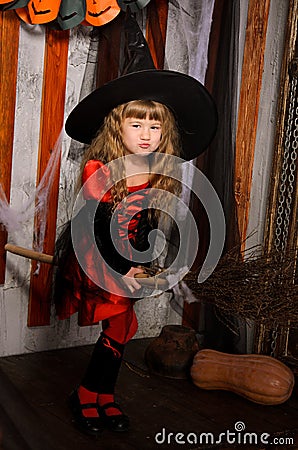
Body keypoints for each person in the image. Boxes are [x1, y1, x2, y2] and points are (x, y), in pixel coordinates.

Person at [54, 69, 217, 436]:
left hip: (129, 261)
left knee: (124, 327)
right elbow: (98, 227)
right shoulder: (99, 170)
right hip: (101, 259)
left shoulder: (154, 171)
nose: (146, 135)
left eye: (155, 127)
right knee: (118, 325)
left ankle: (102, 394)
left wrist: (148, 264)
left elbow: (144, 225)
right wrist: (120, 271)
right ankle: (85, 395)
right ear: (117, 127)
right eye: (137, 124)